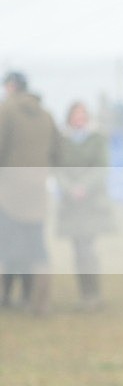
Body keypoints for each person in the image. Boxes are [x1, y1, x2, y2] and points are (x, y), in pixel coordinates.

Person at [0, 71, 59, 314]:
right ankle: (36, 301)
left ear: (11, 87)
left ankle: (4, 299)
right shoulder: (46, 115)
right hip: (36, 192)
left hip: (9, 192)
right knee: (35, 247)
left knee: (6, 245)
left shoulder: (6, 111)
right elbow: (57, 152)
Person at [55, 101, 114, 310]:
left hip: (91, 203)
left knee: (87, 248)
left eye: (82, 114)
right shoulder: (62, 140)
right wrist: (69, 188)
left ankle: (93, 294)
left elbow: (101, 168)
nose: (78, 118)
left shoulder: (96, 138)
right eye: (75, 115)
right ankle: (84, 294)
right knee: (77, 249)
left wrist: (83, 187)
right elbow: (58, 168)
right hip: (71, 204)